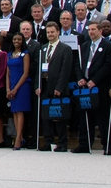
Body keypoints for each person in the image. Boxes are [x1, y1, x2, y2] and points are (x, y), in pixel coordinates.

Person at [73, 22, 111, 153]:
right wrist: (80, 78)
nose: (91, 32)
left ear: (100, 31)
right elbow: (78, 64)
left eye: (93, 29)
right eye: (89, 30)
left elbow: (107, 66)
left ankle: (107, 145)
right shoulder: (84, 46)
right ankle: (84, 144)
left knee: (102, 117)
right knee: (85, 117)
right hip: (85, 87)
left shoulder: (108, 46)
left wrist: (95, 80)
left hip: (100, 86)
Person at [37, 22, 74, 152]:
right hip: (45, 86)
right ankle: (49, 141)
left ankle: (62, 143)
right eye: (48, 32)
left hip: (58, 87)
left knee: (59, 115)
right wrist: (38, 85)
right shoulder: (43, 48)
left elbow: (65, 70)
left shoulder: (65, 48)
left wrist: (59, 87)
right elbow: (39, 69)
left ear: (58, 32)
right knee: (45, 115)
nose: (50, 34)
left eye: (52, 32)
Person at [5, 33, 31, 149]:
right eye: (15, 39)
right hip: (11, 84)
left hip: (22, 85)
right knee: (14, 111)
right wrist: (8, 89)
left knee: (20, 111)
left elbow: (26, 73)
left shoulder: (25, 54)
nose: (16, 41)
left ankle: (18, 138)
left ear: (22, 41)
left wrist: (16, 88)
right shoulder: (9, 54)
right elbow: (7, 73)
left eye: (19, 39)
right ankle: (20, 137)